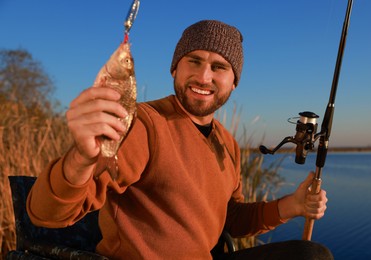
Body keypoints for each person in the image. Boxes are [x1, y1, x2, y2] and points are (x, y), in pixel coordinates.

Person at [27, 20, 333, 259]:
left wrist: (291, 205)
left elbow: (232, 219)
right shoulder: (142, 125)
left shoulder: (227, 142)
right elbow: (48, 214)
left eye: (219, 67)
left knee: (311, 255)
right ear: (175, 67)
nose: (203, 77)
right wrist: (81, 158)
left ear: (233, 81)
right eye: (194, 61)